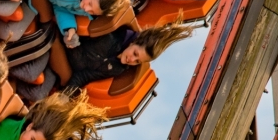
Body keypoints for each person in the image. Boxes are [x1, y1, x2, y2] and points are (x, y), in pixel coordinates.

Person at [65, 22, 194, 89]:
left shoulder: (117, 69)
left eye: (137, 61)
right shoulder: (109, 37)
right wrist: (72, 40)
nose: (131, 60)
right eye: (135, 53)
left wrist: (66, 94)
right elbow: (82, 36)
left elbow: (84, 76)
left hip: (66, 71)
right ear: (133, 42)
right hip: (64, 46)